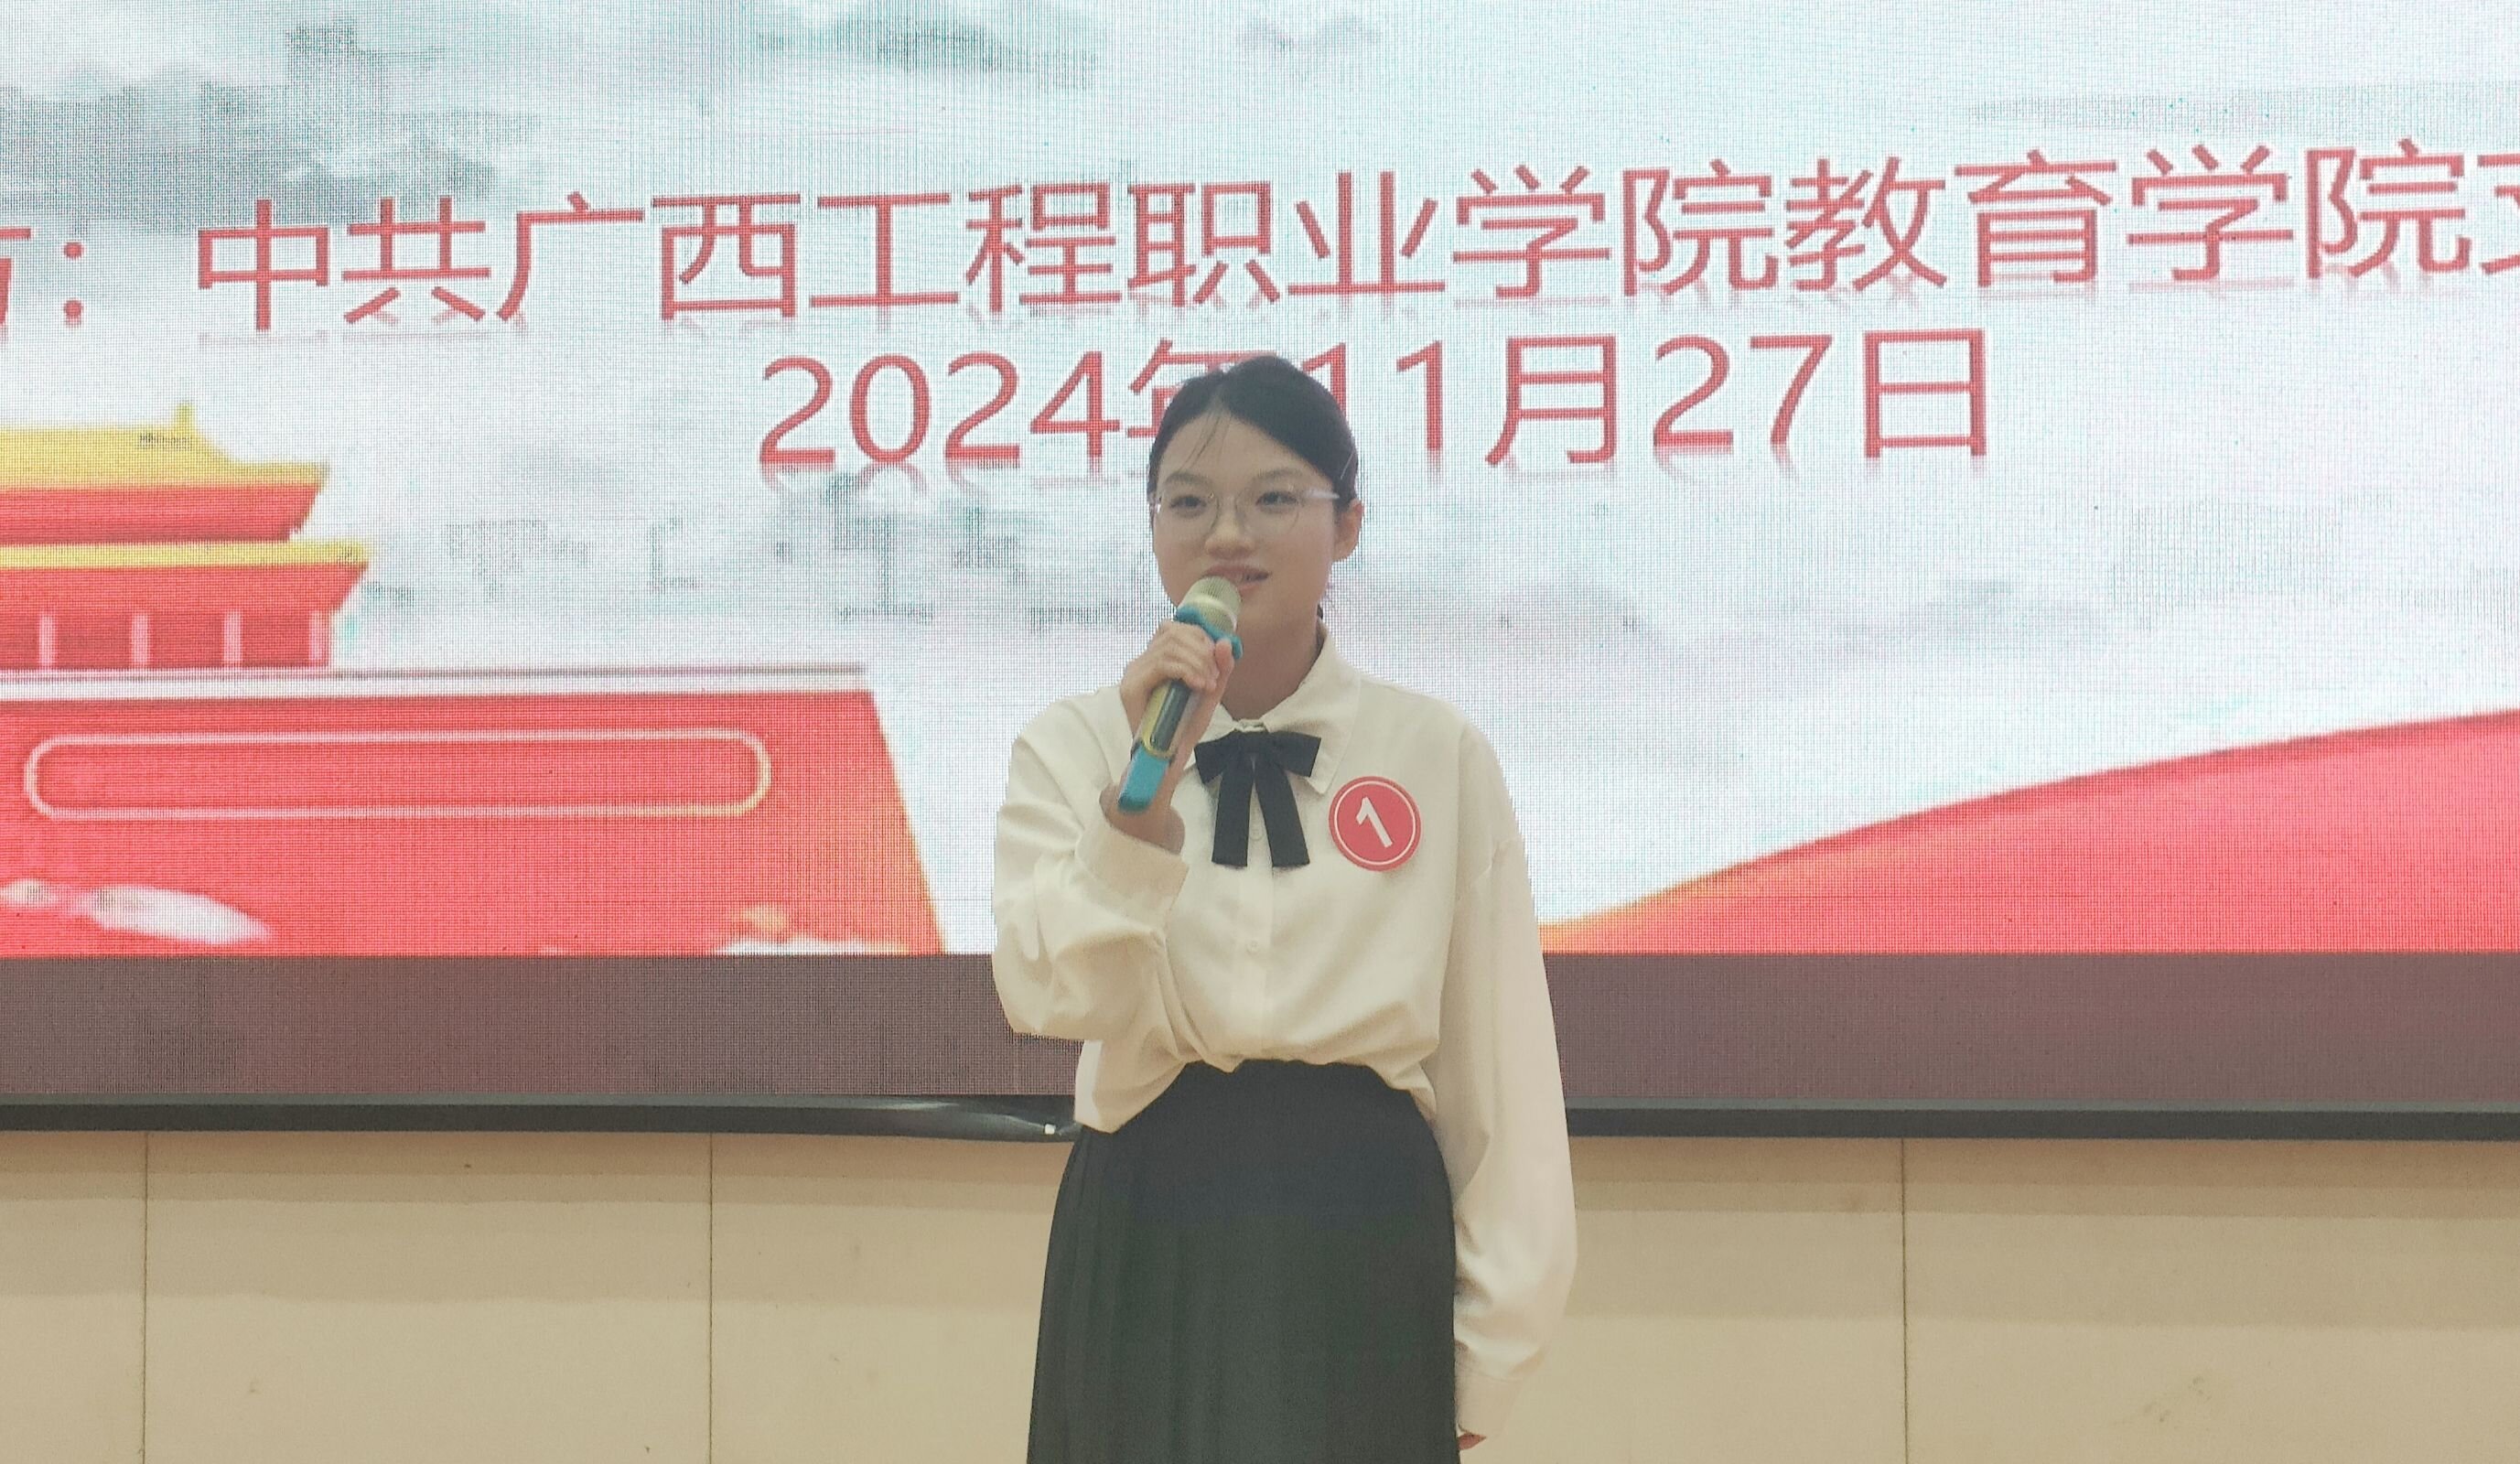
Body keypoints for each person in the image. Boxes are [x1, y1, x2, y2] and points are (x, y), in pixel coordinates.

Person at [992, 354, 1577, 1462]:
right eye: (1188, 503)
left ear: (1347, 524)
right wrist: (1139, 804)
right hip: (1147, 1225)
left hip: (1362, 1233)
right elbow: (1048, 994)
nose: (1227, 534)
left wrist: (1492, 1346)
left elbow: (1498, 1065)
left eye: (1273, 498)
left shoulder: (1434, 751)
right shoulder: (1076, 743)